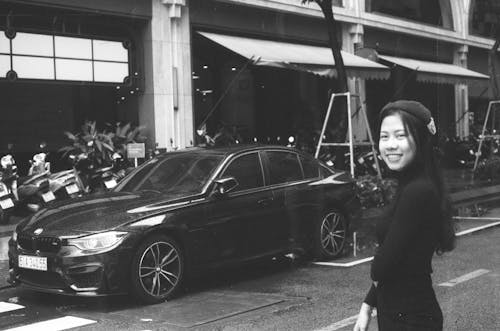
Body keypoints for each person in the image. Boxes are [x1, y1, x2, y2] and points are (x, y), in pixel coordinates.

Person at [353, 100, 456, 331]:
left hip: (410, 320)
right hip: (405, 313)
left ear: (420, 140)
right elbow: (397, 261)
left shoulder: (417, 191)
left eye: (400, 135)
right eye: (384, 136)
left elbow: (382, 267)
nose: (390, 145)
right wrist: (368, 305)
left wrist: (378, 265)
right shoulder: (416, 184)